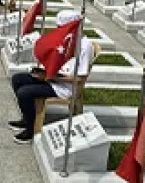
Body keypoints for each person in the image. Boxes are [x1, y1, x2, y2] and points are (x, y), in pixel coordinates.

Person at [7, 10, 94, 144]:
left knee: (24, 93)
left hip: (64, 86)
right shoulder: (67, 39)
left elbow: (79, 79)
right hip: (53, 78)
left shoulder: (85, 46)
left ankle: (31, 129)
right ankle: (28, 118)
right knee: (18, 79)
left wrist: (52, 77)